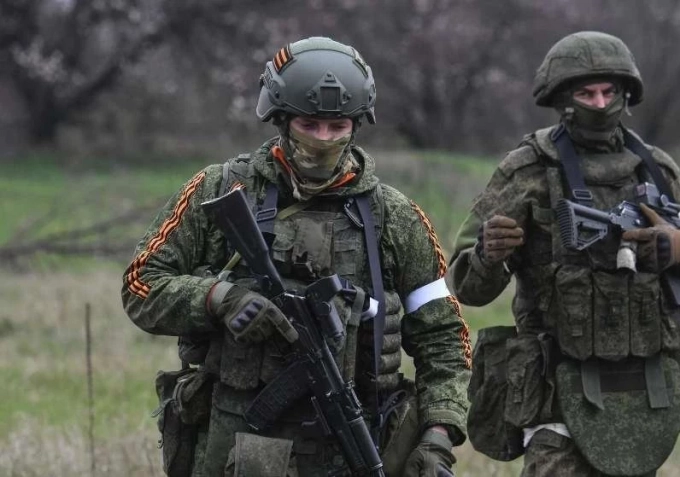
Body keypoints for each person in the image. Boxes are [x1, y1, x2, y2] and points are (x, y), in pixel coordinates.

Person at [122, 36, 472, 477]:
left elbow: (444, 339)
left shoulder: (395, 216)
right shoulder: (221, 189)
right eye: (309, 125)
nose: (323, 139)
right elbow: (141, 284)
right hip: (236, 444)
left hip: (356, 440)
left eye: (337, 127)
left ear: (356, 125)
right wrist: (218, 298)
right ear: (281, 119)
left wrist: (439, 433)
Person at [448, 31, 680, 477]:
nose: (600, 103)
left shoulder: (657, 170)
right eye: (586, 93)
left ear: (625, 94)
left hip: (644, 392)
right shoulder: (528, 170)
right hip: (556, 386)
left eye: (609, 92)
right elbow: (466, 286)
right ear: (562, 98)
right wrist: (488, 253)